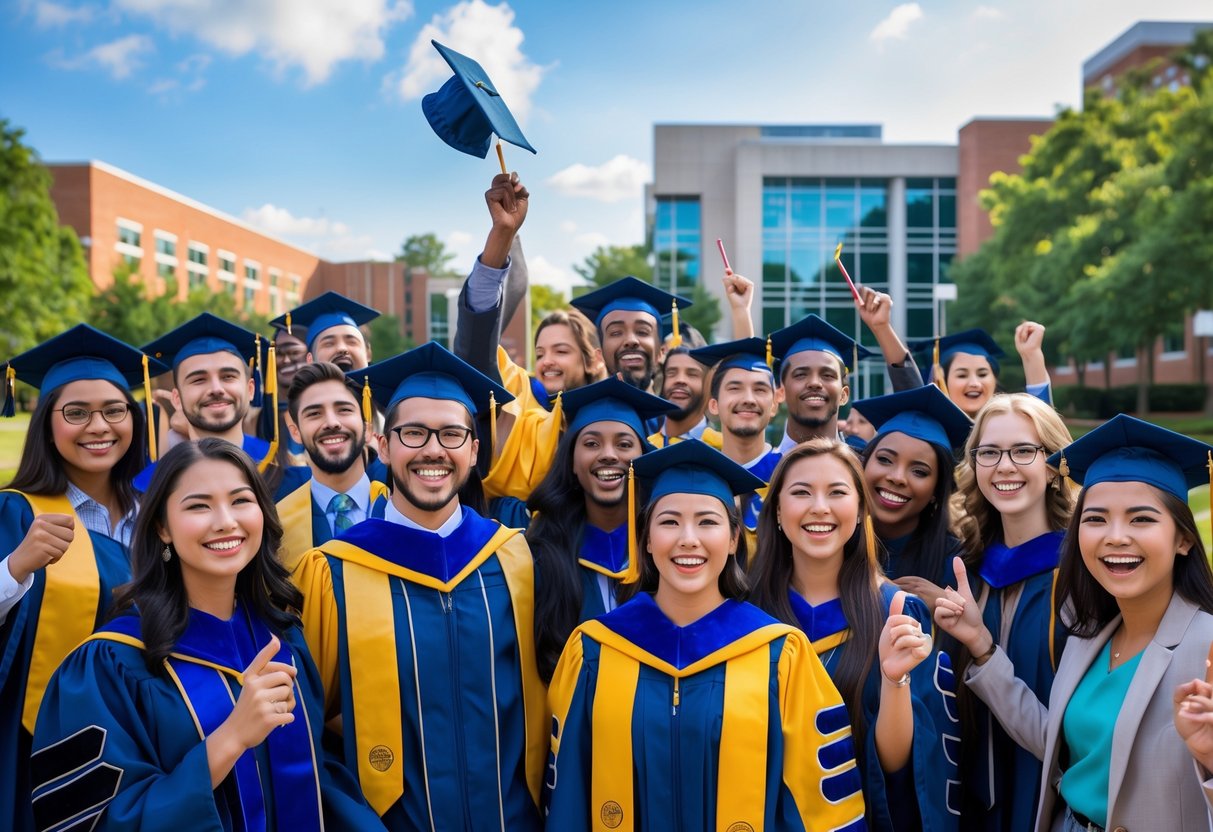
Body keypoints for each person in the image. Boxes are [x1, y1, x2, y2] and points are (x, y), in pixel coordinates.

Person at [31, 439, 383, 830]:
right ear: (162, 527)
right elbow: (96, 819)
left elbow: (319, 774)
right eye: (199, 505)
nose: (225, 521)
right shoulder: (112, 664)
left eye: (240, 501)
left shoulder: (282, 639)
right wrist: (231, 737)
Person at [545, 440, 867, 830]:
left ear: (733, 540)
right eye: (668, 521)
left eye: (708, 521)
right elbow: (568, 801)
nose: (688, 539)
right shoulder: (595, 650)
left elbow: (822, 807)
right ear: (646, 540)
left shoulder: (780, 655)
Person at [292, 342, 545, 830]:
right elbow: (306, 727)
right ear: (382, 446)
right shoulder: (333, 573)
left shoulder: (513, 558)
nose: (433, 449)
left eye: (452, 434)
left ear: (474, 450)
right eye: (413, 433)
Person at [936, 414, 1213, 830]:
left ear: (1184, 538)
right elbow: (1056, 744)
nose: (1115, 536)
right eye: (1096, 519)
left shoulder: (1205, 648)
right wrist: (980, 644)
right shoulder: (1092, 636)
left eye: (1141, 519)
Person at [748, 439, 960, 831]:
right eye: (801, 492)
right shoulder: (743, 615)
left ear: (861, 509)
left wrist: (894, 679)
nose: (819, 507)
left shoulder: (894, 612)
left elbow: (898, 769)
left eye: (837, 492)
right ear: (777, 510)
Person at [0, 325, 164, 832]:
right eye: (76, 413)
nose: (99, 425)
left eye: (115, 410)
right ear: (47, 425)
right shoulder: (16, 513)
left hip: (147, 731)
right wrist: (15, 567)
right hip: (37, 743)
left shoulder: (160, 515)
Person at [949, 392, 1075, 831]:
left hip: (1051, 808)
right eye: (989, 452)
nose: (1004, 466)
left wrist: (983, 650)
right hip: (971, 806)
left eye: (1024, 450)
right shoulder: (972, 567)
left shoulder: (1082, 580)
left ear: (1055, 464)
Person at [528, 377, 676, 682]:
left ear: (645, 459)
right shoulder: (537, 556)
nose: (608, 454)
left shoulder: (670, 551)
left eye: (624, 444)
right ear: (571, 460)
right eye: (591, 443)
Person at [851, 385, 972, 606]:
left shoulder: (956, 564)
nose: (897, 477)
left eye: (919, 471)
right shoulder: (836, 544)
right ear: (864, 465)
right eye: (885, 459)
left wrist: (948, 609)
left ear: (937, 490)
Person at [138, 312, 274, 487]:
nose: (216, 389)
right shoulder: (149, 487)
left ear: (250, 390)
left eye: (228, 377)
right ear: (177, 399)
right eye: (199, 380)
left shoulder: (284, 473)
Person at [275, 362, 389, 569]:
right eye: (314, 414)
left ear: (367, 427)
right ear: (295, 432)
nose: (331, 422)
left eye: (344, 410)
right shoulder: (277, 526)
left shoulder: (399, 510)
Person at [694, 336, 783, 556]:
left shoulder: (788, 474)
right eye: (735, 388)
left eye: (760, 389)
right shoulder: (699, 477)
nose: (749, 399)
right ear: (714, 405)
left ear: (773, 406)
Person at [768, 314, 872, 452]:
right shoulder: (758, 471)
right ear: (782, 391)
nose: (814, 383)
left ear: (844, 395)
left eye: (827, 375)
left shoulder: (864, 467)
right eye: (800, 375)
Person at [908, 325, 1052, 419]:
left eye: (982, 374)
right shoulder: (932, 433)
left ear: (994, 380)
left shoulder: (1009, 425)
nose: (974, 383)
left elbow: (1041, 420)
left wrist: (1032, 355)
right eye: (962, 375)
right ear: (941, 381)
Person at [270, 291, 379, 374]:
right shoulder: (301, 403)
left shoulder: (389, 402)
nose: (342, 348)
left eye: (351, 342)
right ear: (310, 360)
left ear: (368, 353)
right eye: (329, 343)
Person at [647, 346, 723, 448]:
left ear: (708, 385)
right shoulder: (646, 445)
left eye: (692, 374)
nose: (680, 380)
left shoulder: (723, 449)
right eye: (672, 373)